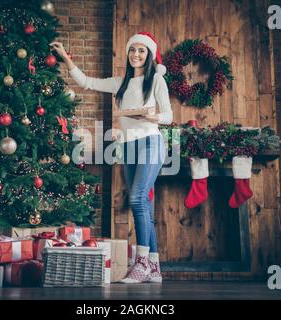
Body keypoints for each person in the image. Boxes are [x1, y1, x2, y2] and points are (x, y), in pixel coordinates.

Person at [50, 32, 173, 283]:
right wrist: (65, 57)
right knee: (145, 207)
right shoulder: (121, 83)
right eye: (132, 50)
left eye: (141, 50)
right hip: (128, 146)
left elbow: (169, 116)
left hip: (151, 142)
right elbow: (86, 82)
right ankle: (154, 267)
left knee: (137, 198)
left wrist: (152, 117)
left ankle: (140, 263)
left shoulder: (157, 80)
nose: (136, 54)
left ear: (148, 55)